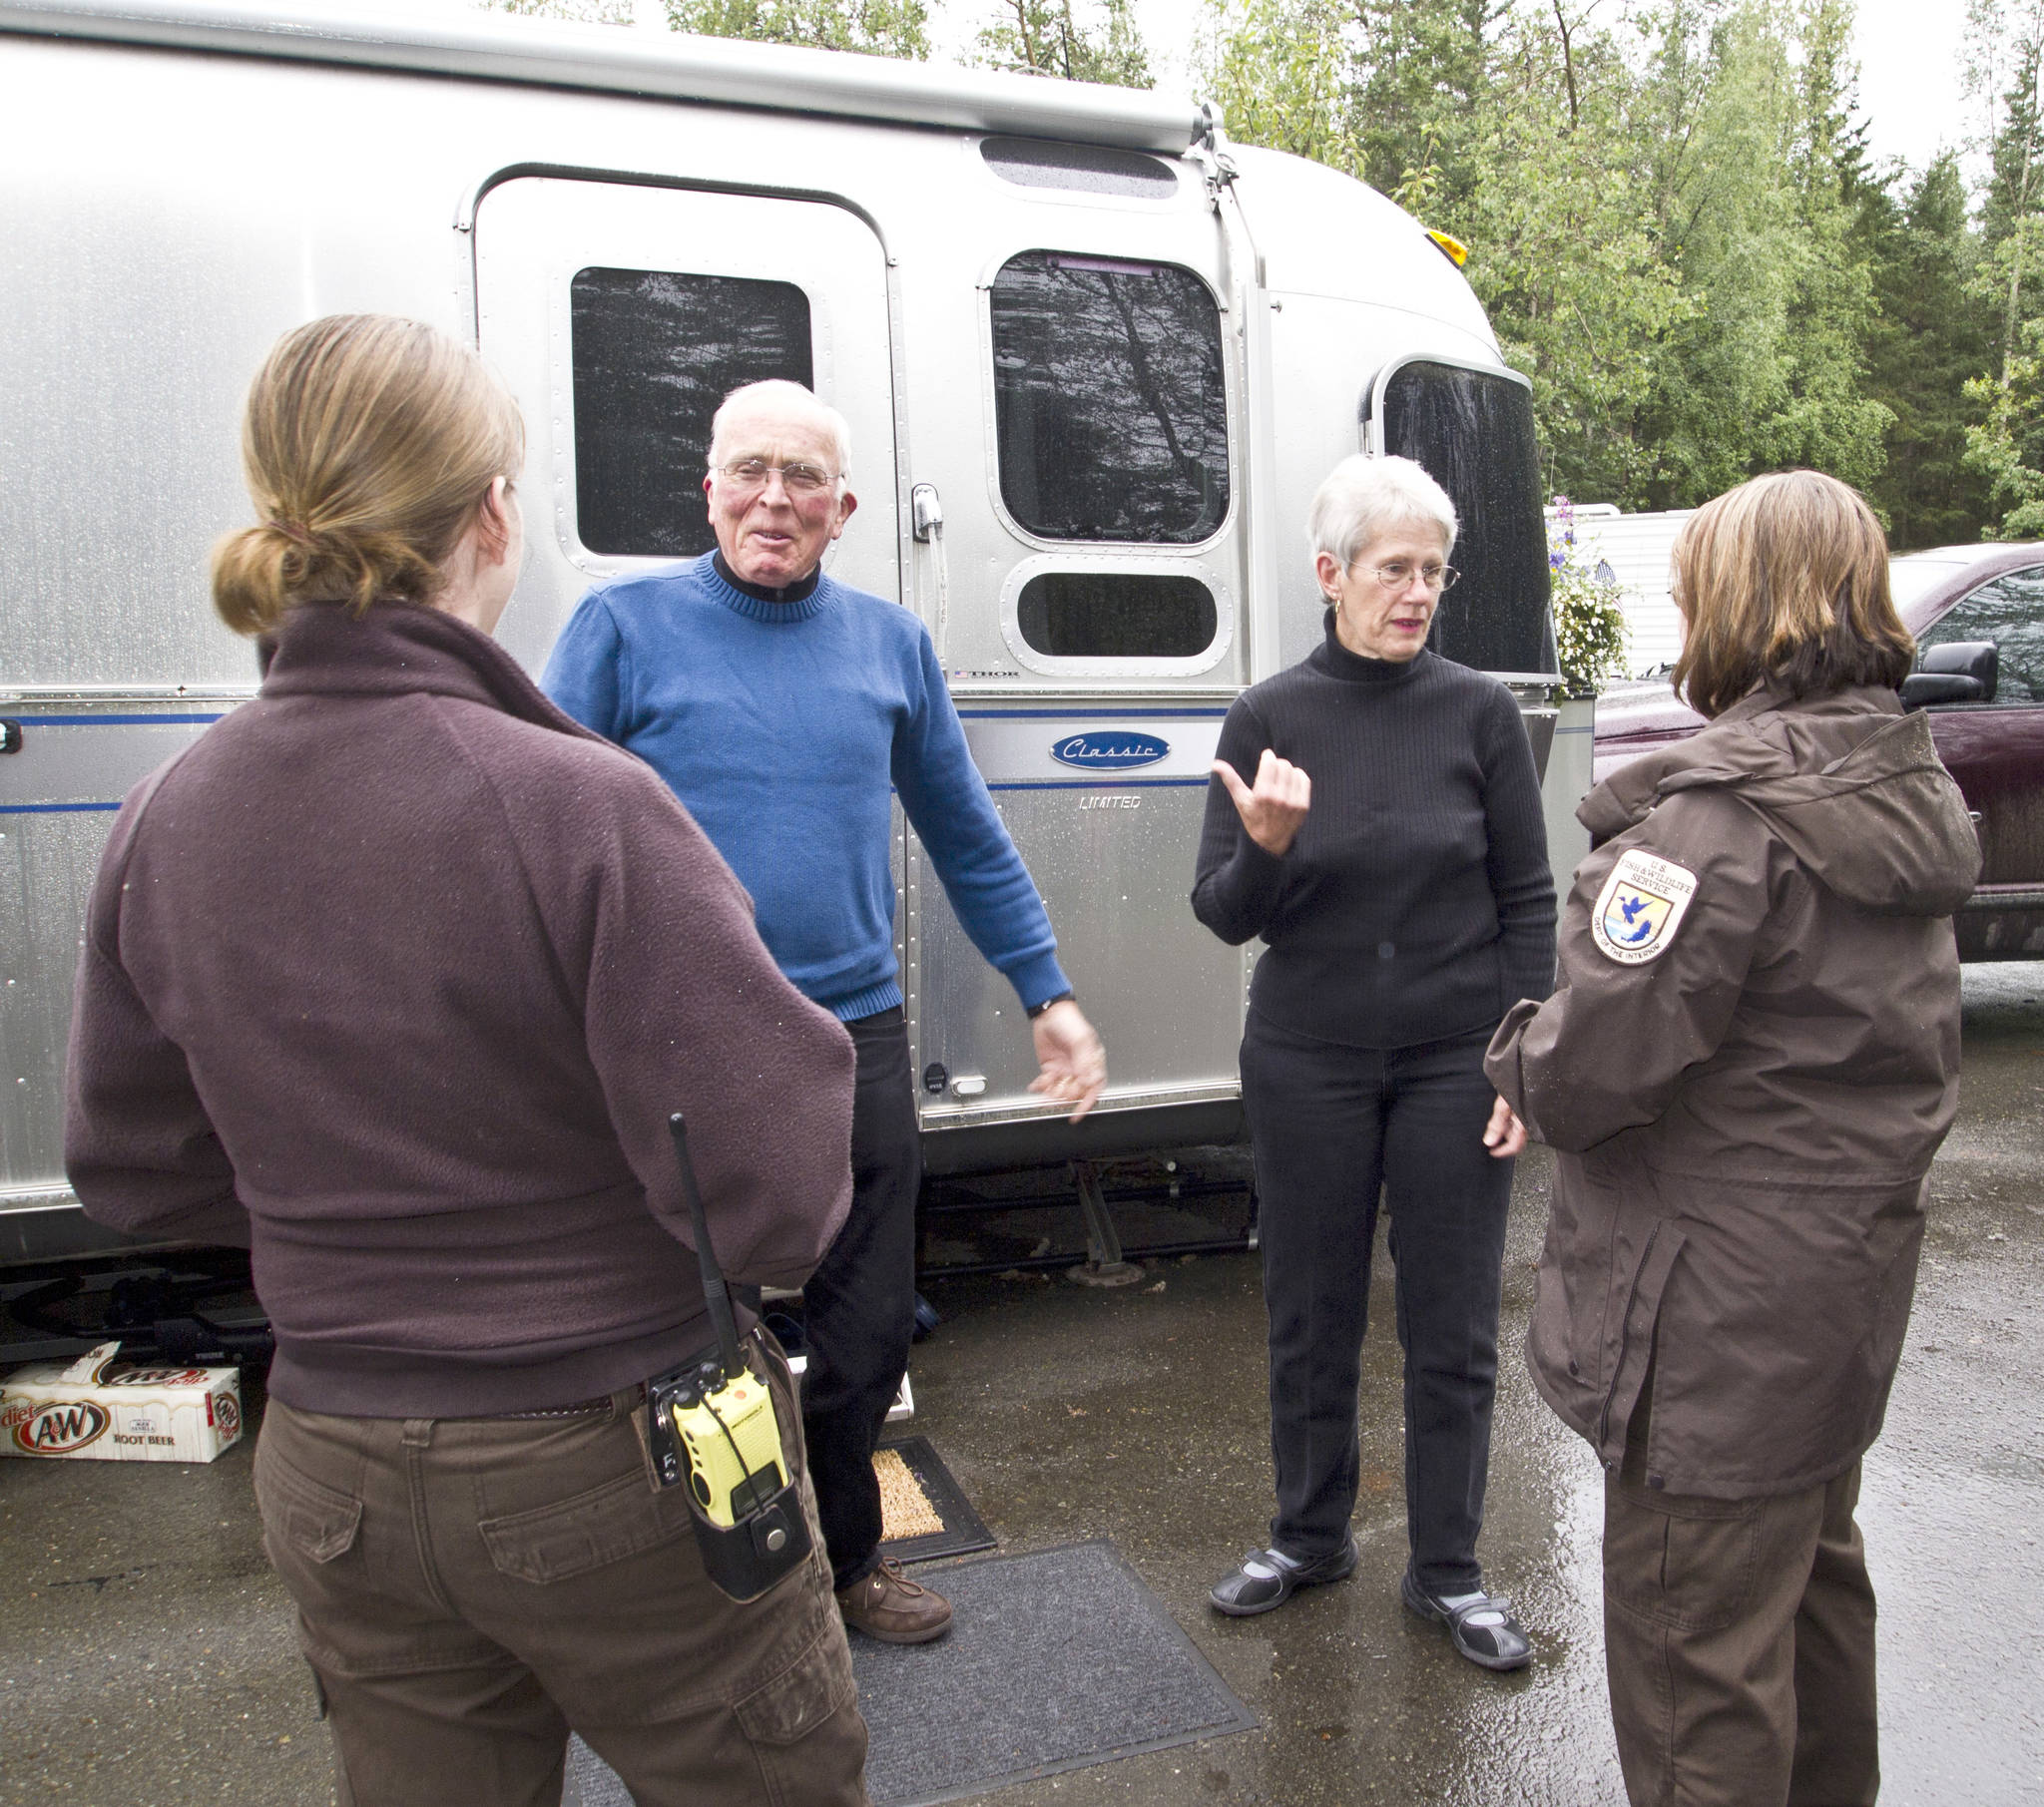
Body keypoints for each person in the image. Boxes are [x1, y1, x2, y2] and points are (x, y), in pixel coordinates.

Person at [63, 316, 870, 1807]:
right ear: (493, 514)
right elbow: (771, 1192)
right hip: (610, 1455)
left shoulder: (166, 812)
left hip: (332, 1462)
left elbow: (131, 1166)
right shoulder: (579, 805)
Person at [543, 378, 1106, 1645]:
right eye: (749, 471)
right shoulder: (619, 630)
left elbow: (964, 832)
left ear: (844, 508)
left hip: (853, 1033)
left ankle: (847, 1566)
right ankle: (698, 1583)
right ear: (706, 488)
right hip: (682, 1043)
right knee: (684, 1334)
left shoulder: (889, 645)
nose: (773, 499)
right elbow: (540, 831)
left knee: (861, 1329)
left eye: (803, 479)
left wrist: (1047, 993)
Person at [1485, 470, 1979, 1803]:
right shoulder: (1899, 782)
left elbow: (1589, 1069)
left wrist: (1518, 1049)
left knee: (1700, 1671)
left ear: (1735, 603)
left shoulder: (1716, 823)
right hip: (1829, 1304)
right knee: (1810, 1609)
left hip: (1712, 1333)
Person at [1192, 453, 1555, 1669]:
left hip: (1459, 1055)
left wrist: (1521, 1058)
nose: (1415, 592)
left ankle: (1447, 1569)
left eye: (1432, 571)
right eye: (1392, 568)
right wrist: (1268, 850)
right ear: (1328, 574)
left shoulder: (1478, 713)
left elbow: (1526, 896)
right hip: (1308, 1055)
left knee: (1451, 1322)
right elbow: (1224, 912)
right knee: (1310, 1311)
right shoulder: (1269, 716)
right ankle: (1308, 1535)